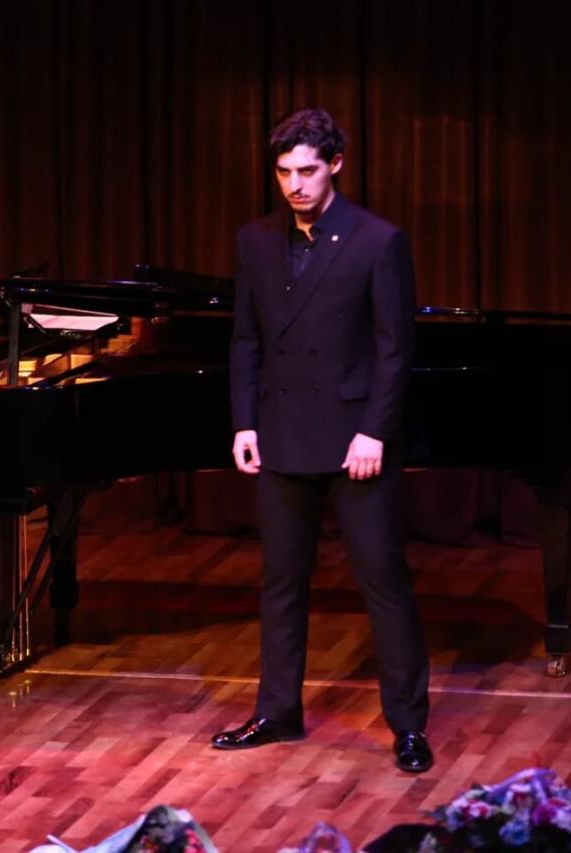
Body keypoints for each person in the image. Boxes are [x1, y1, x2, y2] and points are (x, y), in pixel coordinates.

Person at [211, 109, 432, 772]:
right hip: (282, 434)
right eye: (283, 172)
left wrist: (374, 432)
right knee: (280, 582)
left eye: (307, 170)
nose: (295, 185)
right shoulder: (256, 240)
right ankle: (277, 711)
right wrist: (244, 422)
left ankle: (408, 725)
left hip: (354, 440)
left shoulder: (377, 241)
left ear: (335, 164)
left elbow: (395, 350)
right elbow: (246, 339)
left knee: (382, 579)